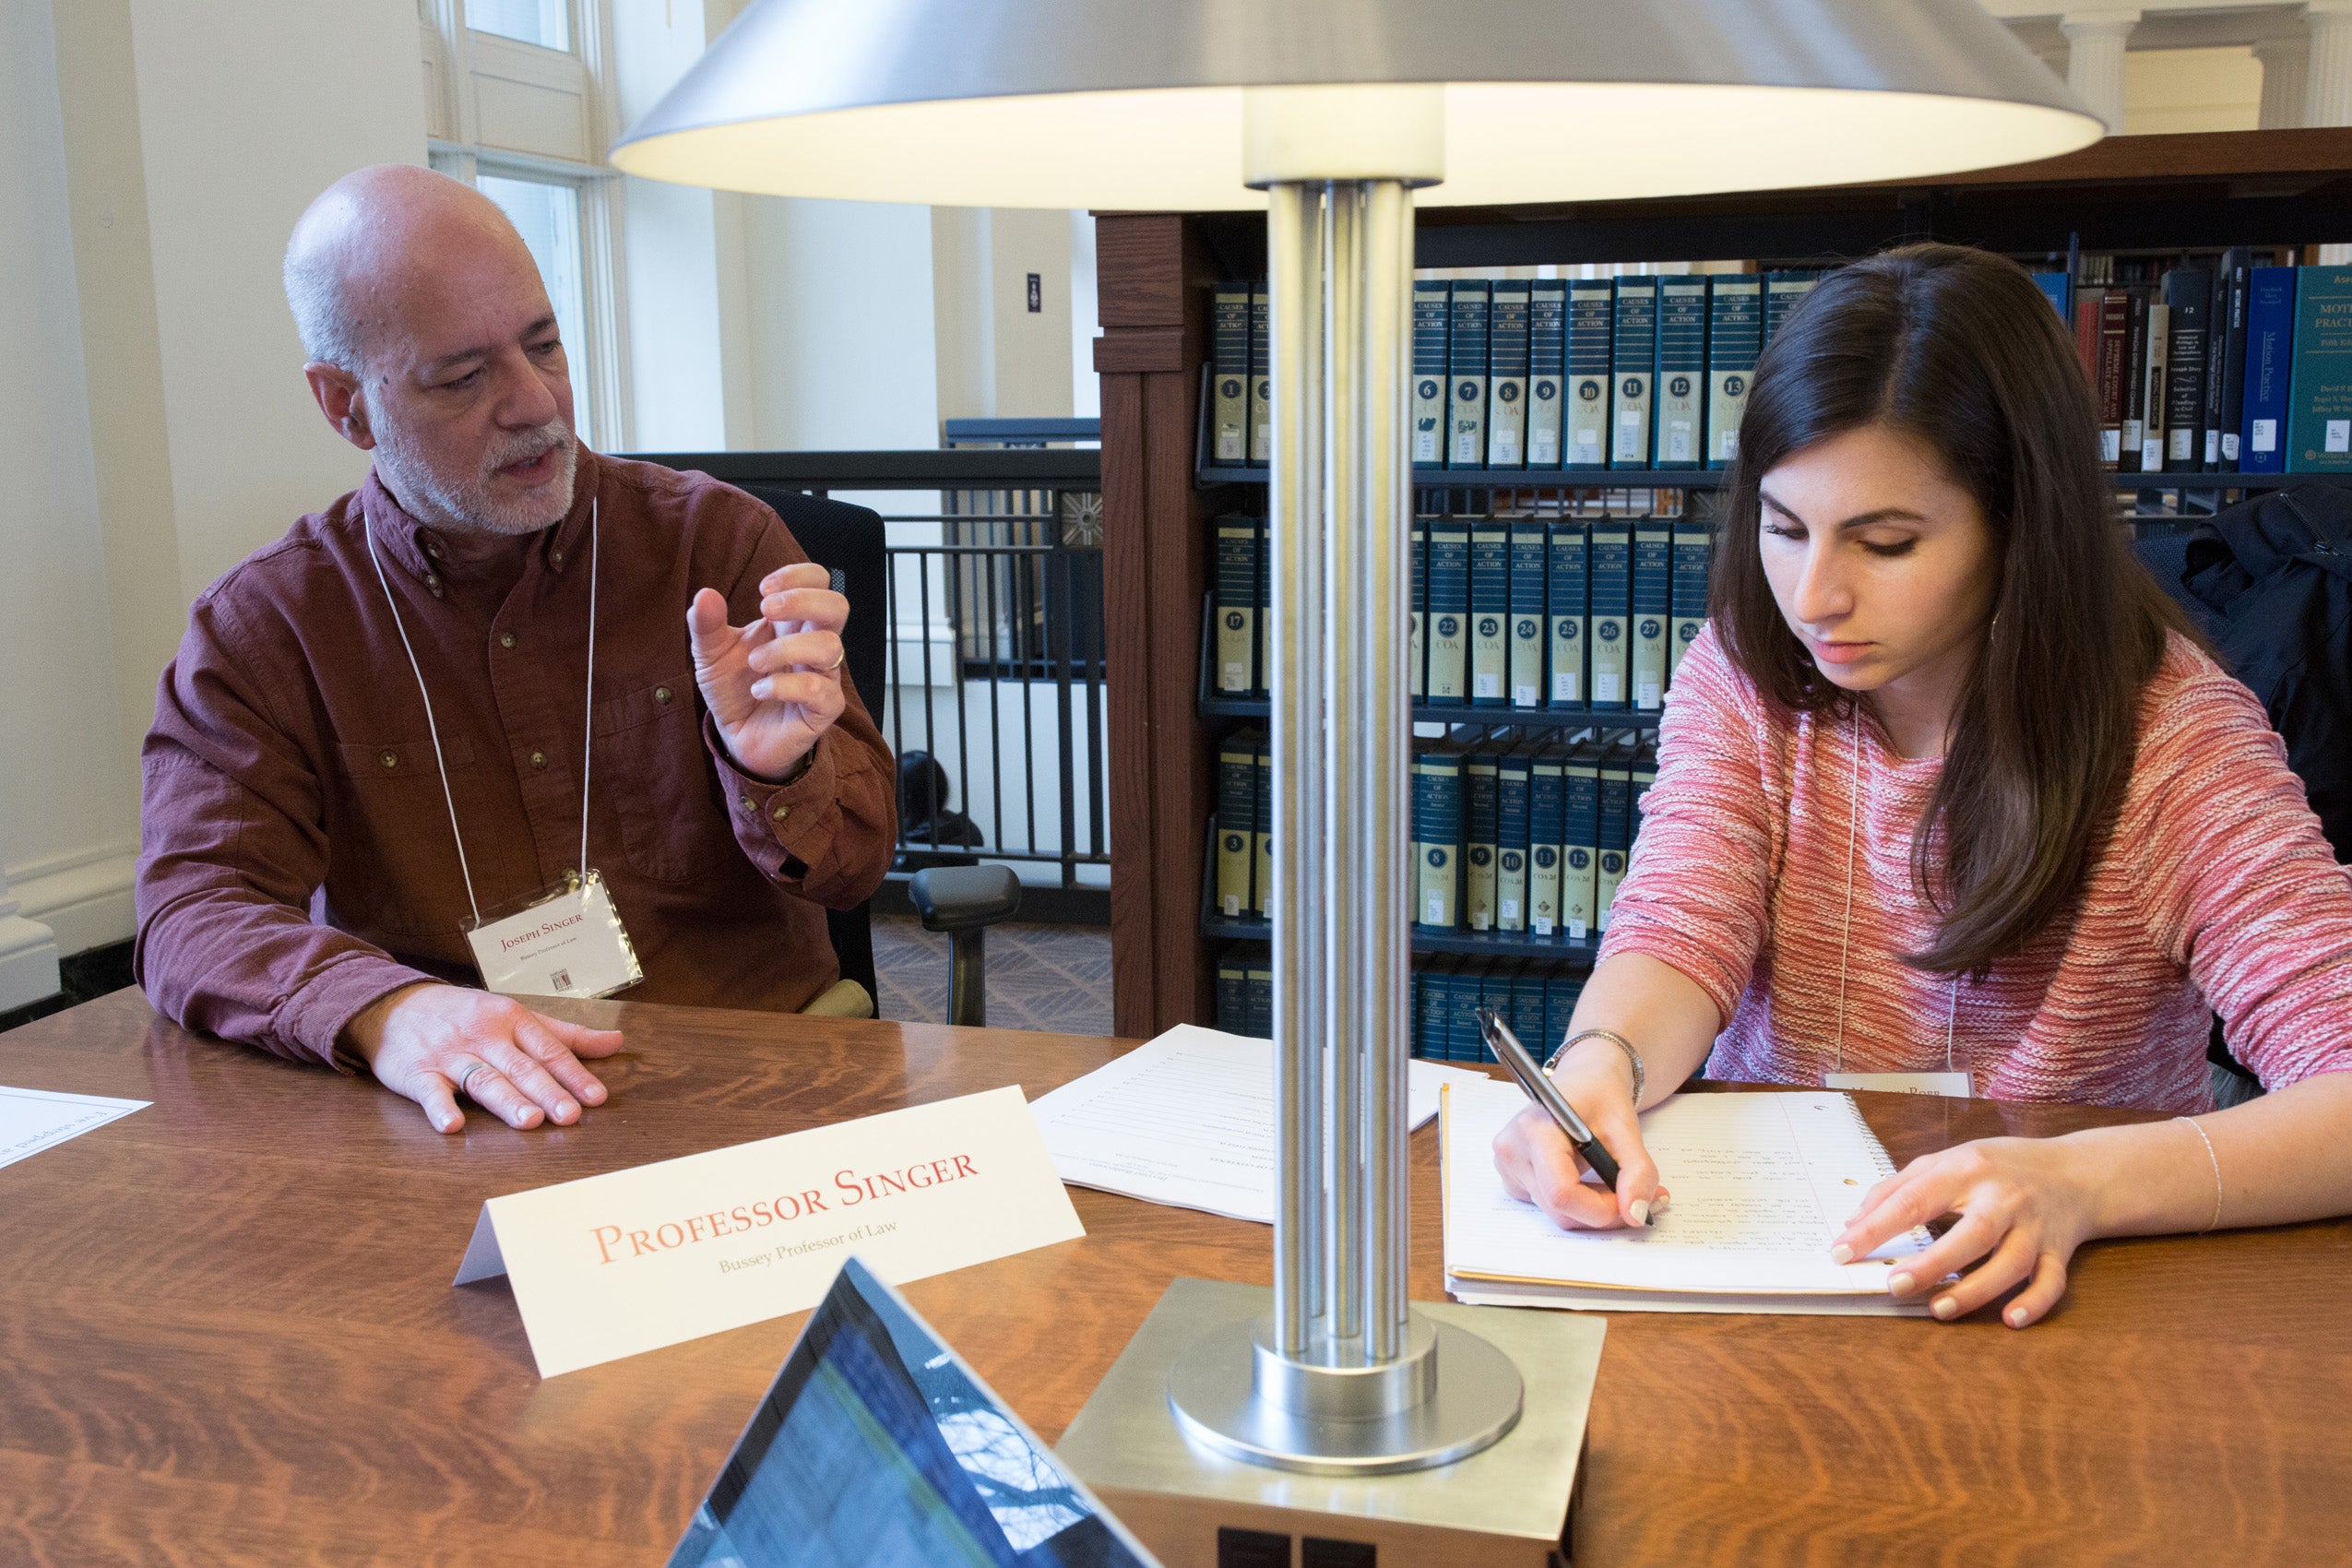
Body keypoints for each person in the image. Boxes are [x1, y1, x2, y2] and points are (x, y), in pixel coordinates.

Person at [1491, 244, 2352, 1327]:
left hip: (2075, 1300)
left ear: (2020, 527)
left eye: (1886, 543)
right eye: (1783, 527)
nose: (1814, 596)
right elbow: (1679, 926)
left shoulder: (2175, 739)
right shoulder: (1745, 673)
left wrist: (2086, 1179)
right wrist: (1598, 1063)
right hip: (1770, 1264)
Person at [134, 165, 896, 1134]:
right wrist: (387, 1009)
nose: (536, 403)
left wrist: (779, 771)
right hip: (466, 1113)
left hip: (744, 1085)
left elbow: (858, 869)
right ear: (346, 405)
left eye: (545, 346)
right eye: (464, 376)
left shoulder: (716, 546)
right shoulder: (270, 627)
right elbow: (193, 908)